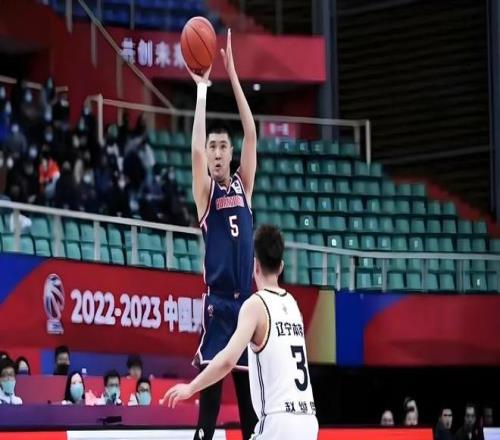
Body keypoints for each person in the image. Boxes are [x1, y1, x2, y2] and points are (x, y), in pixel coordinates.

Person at [164, 225, 318, 440]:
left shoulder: (255, 305)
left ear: (255, 266)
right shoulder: (293, 305)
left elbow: (228, 361)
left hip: (279, 422)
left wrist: (191, 388)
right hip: (308, 420)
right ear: (281, 266)